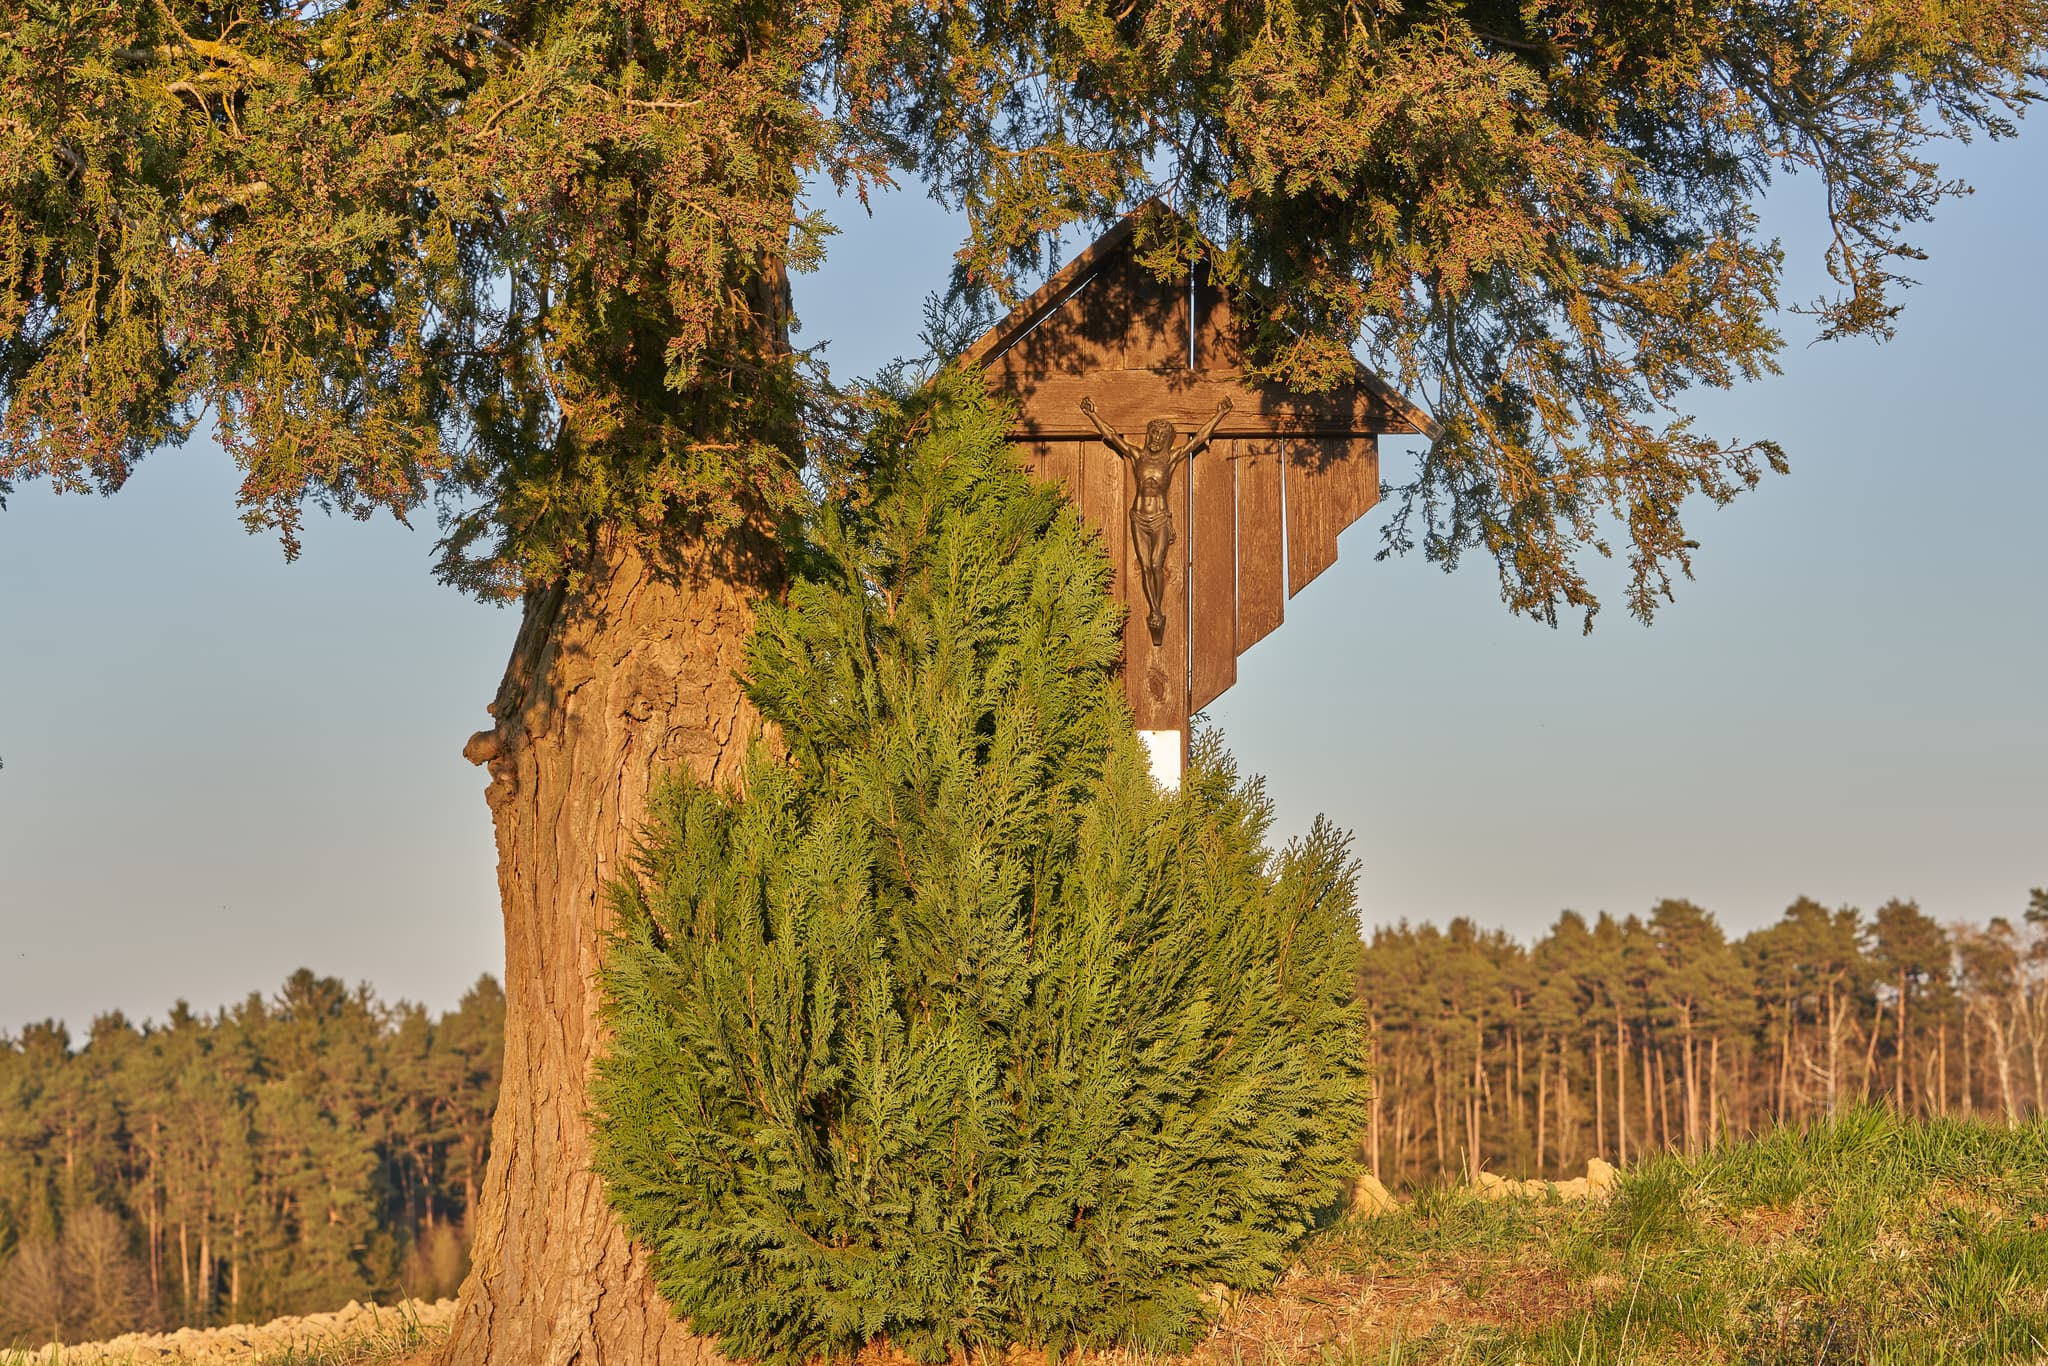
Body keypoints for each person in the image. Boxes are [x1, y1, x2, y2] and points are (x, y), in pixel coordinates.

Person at [1078, 395, 1233, 644]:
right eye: (1152, 434)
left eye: (1160, 437)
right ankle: (1154, 611)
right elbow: (1113, 436)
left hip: (1160, 518)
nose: (1155, 439)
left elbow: (1200, 439)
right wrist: (1092, 414)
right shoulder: (1138, 457)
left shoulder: (1169, 459)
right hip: (1138, 517)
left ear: (1166, 440)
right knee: (1146, 566)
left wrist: (1220, 414)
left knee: (1156, 565)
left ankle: (1156, 610)